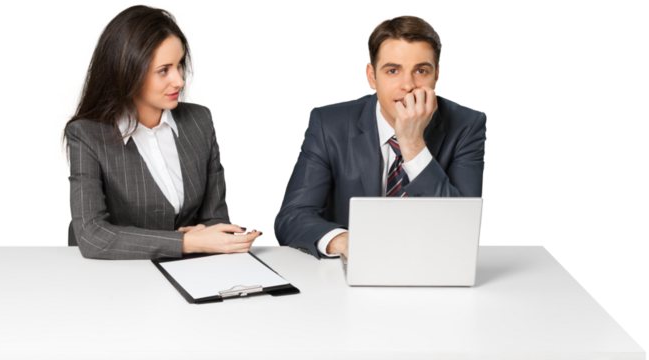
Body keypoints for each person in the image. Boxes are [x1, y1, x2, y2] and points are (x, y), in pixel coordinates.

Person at [273, 14, 486, 259]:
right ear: (372, 77)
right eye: (393, 70)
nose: (408, 85)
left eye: (421, 70)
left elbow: (463, 230)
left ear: (436, 76)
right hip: (351, 274)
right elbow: (291, 216)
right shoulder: (329, 124)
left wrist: (411, 143)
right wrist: (344, 241)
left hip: (433, 264)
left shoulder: (467, 124)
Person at [61, 4, 261, 260]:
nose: (178, 80)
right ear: (126, 73)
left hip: (190, 273)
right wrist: (186, 242)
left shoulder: (200, 120)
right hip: (114, 281)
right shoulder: (87, 135)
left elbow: (214, 217)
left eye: (179, 66)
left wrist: (225, 238)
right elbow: (93, 235)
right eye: (163, 70)